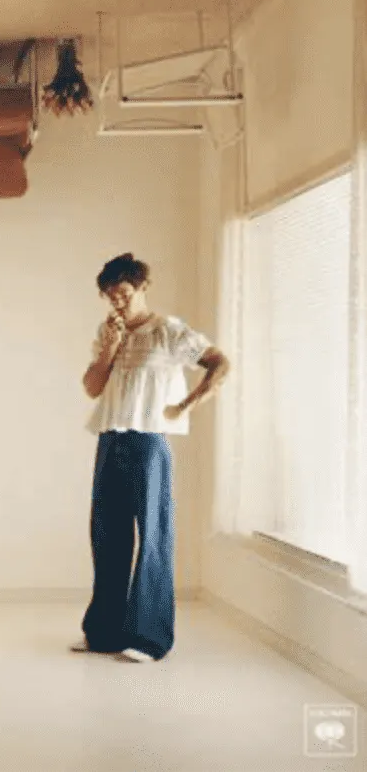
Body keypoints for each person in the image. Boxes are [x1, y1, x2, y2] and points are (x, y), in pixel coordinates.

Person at [71, 253, 230, 662]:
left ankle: (148, 639)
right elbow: (93, 387)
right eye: (110, 297)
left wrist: (189, 404)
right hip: (110, 438)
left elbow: (219, 362)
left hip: (148, 442)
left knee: (154, 537)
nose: (117, 303)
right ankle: (103, 633)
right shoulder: (109, 330)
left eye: (123, 294)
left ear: (143, 287)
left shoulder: (169, 331)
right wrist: (110, 348)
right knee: (106, 535)